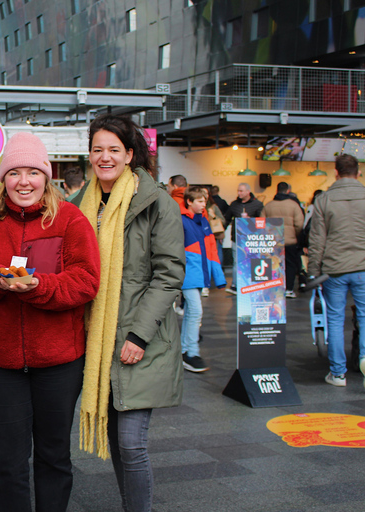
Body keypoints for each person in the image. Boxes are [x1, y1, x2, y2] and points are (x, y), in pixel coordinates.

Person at [0, 133, 100, 512]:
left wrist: (38, 286)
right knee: (9, 461)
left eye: (34, 172)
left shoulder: (70, 219)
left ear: (46, 178)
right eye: (15, 173)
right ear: (3, 179)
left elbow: (86, 280)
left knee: (54, 455)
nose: (24, 181)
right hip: (3, 362)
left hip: (60, 361)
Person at [72, 114, 185, 512]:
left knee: (131, 442)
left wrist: (138, 336)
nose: (105, 157)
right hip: (96, 339)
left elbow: (169, 276)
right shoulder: (78, 204)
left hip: (140, 339)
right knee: (122, 442)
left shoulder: (156, 203)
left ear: (130, 154)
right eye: (98, 149)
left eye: (113, 150)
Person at [307, 154, 365, 388]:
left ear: (336, 172)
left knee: (335, 318)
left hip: (334, 269)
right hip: (363, 266)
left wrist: (313, 271)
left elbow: (317, 240)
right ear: (358, 173)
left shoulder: (324, 199)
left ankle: (338, 373)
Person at [180, 188, 226, 372]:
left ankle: (187, 351)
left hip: (198, 273)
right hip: (189, 274)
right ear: (189, 202)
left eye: (204, 201)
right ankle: (191, 352)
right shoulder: (182, 221)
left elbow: (212, 250)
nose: (203, 204)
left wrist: (219, 277)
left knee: (192, 312)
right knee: (195, 312)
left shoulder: (203, 221)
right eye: (199, 201)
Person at [262, 182, 304, 298]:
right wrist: (295, 235)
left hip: (273, 241)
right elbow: (299, 224)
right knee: (290, 265)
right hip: (290, 241)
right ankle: (289, 289)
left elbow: (261, 223)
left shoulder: (268, 205)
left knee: (274, 264)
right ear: (288, 191)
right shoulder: (294, 205)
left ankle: (274, 289)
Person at [224, 183, 264, 294]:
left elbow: (262, 222)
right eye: (238, 191)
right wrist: (221, 232)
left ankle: (252, 285)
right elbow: (227, 219)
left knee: (252, 262)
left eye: (241, 191)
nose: (239, 193)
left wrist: (250, 219)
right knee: (237, 262)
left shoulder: (258, 205)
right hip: (236, 238)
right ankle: (235, 285)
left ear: (248, 192)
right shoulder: (234, 205)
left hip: (252, 239)